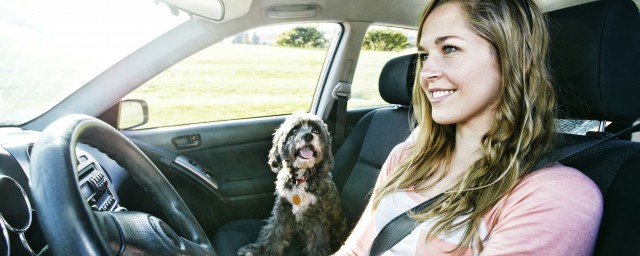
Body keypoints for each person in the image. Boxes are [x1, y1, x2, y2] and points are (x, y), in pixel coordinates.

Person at [334, 0, 603, 255]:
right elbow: (356, 251)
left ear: (518, 59)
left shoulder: (555, 196)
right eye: (424, 55)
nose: (426, 72)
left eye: (449, 49)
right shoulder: (406, 158)